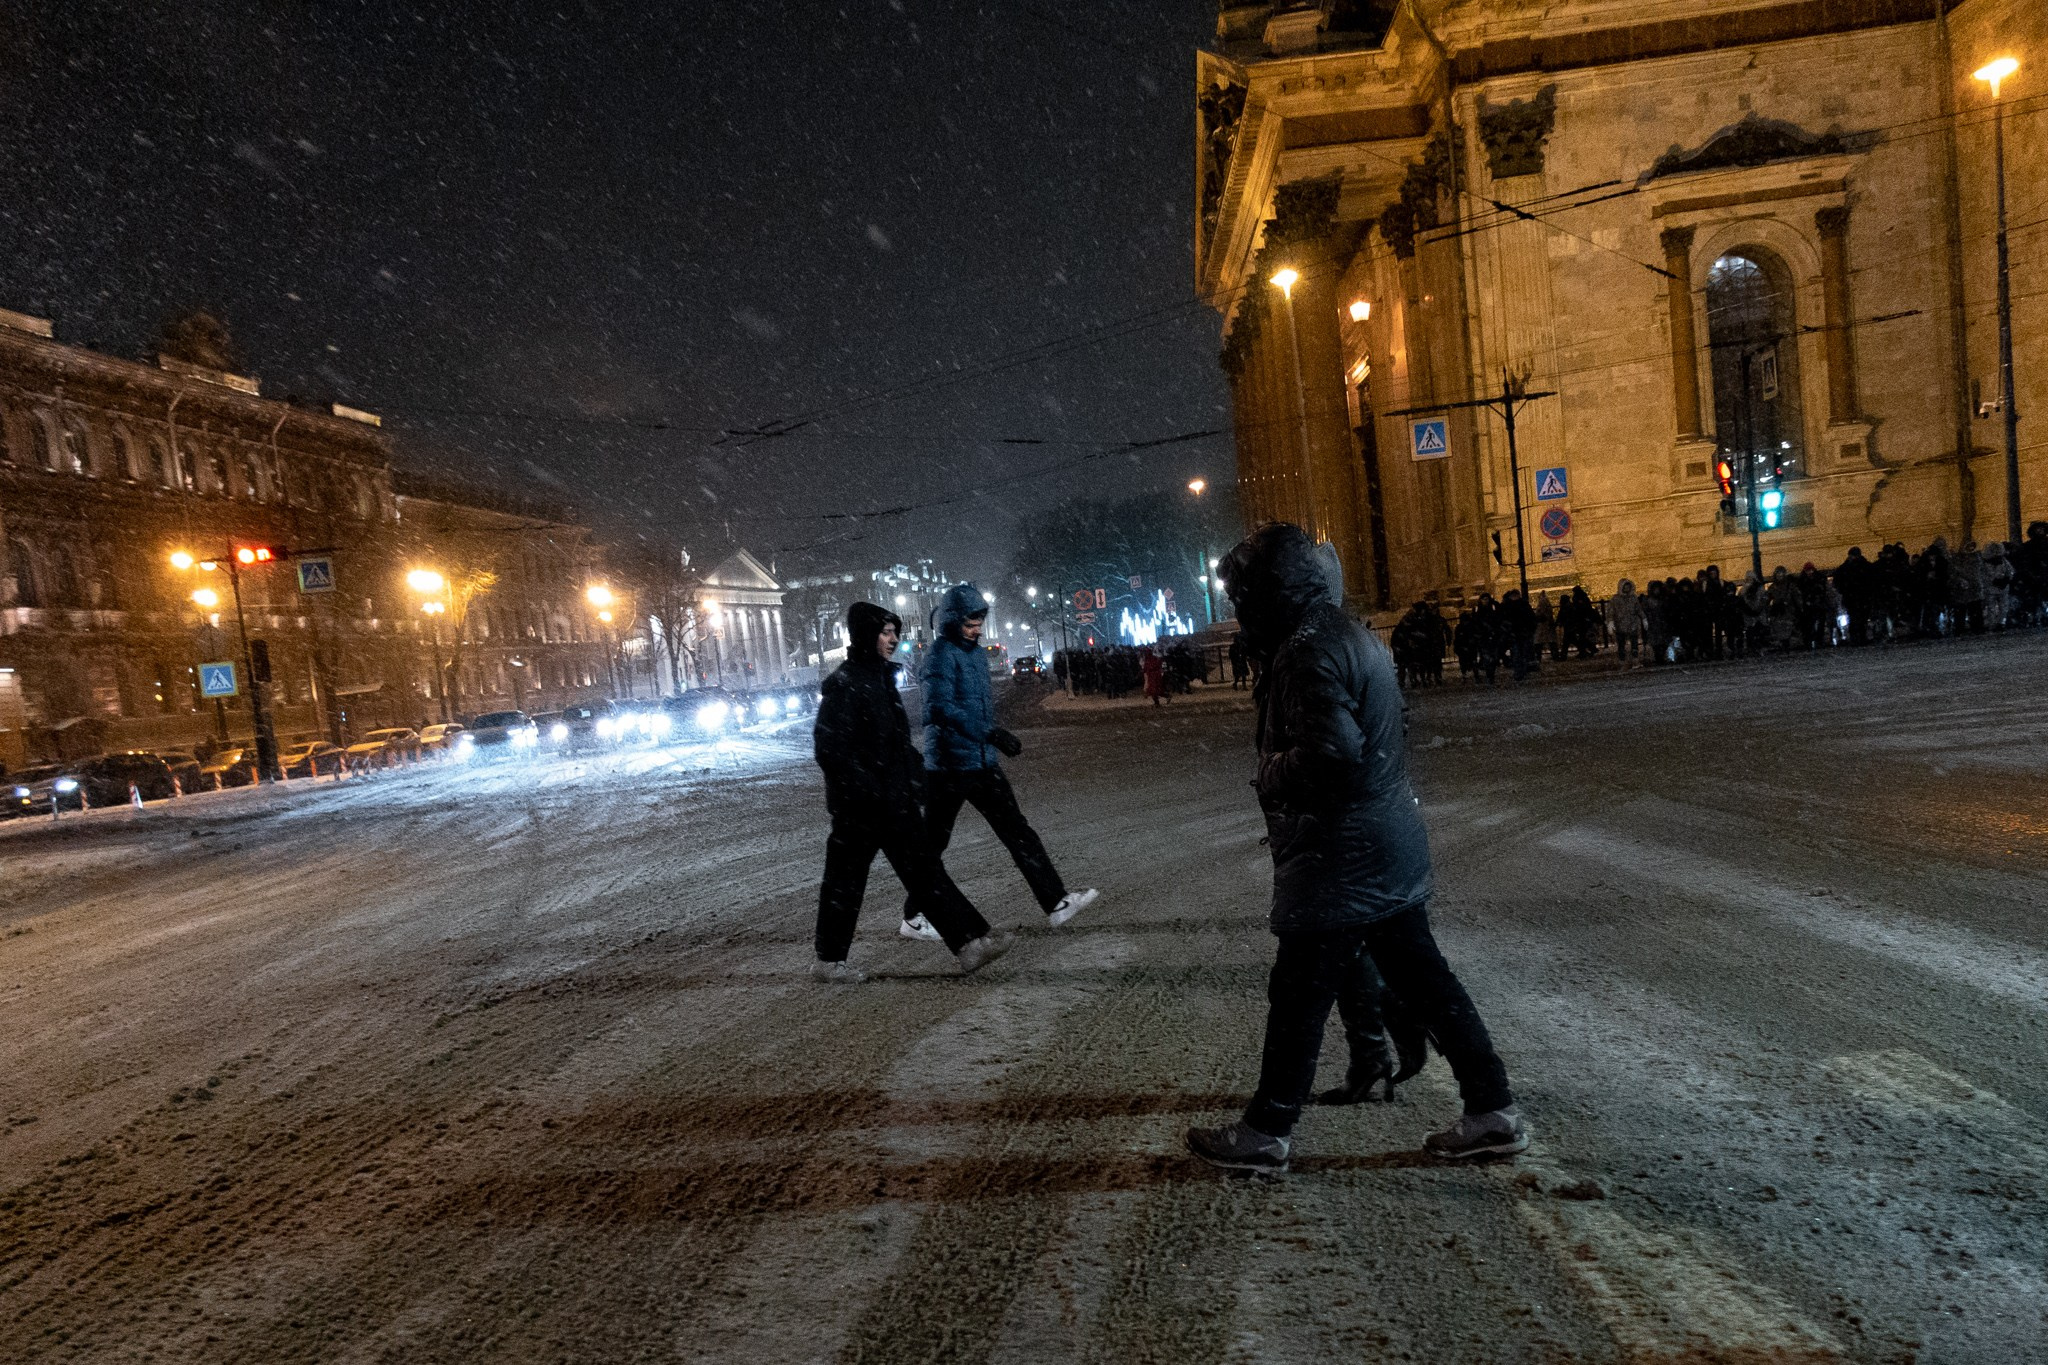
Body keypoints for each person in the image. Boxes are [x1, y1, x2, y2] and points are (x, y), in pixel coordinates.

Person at [1186, 524, 1525, 1173]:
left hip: (1341, 856)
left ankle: (1266, 1131)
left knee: (1299, 995)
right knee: (1427, 983)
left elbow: (1333, 754)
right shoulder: (1348, 634)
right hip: (1379, 842)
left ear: (1273, 592)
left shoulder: (1306, 650)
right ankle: (1493, 1109)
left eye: (1243, 596)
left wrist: (1271, 775)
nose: (1239, 609)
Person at [813, 602, 1012, 982]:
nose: (893, 640)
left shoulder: (880, 679)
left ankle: (970, 944)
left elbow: (896, 745)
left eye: (894, 633)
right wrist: (870, 790)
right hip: (859, 809)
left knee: (925, 873)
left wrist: (918, 780)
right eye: (885, 633)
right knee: (845, 883)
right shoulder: (845, 683)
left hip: (892, 803)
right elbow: (830, 750)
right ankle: (828, 961)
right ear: (866, 636)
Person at [900, 582, 1099, 941]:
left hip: (981, 760)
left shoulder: (976, 655)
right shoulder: (939, 655)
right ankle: (913, 915)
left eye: (979, 623)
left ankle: (1056, 902)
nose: (976, 630)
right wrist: (990, 733)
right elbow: (939, 709)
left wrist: (988, 738)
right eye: (969, 623)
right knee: (933, 845)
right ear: (952, 621)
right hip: (947, 767)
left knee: (1017, 831)